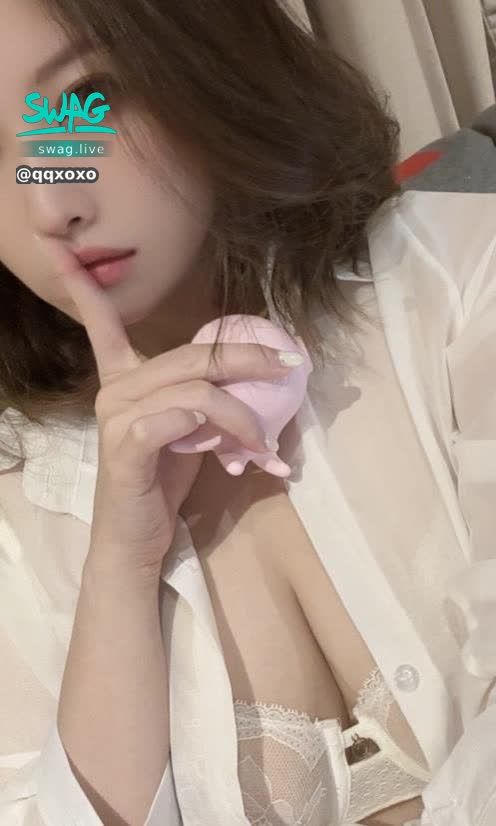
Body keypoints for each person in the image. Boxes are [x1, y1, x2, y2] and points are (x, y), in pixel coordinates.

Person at [0, 1, 494, 825]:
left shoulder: (461, 278)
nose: (53, 207)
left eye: (88, 100)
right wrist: (119, 568)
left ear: (203, 54)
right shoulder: (19, 512)